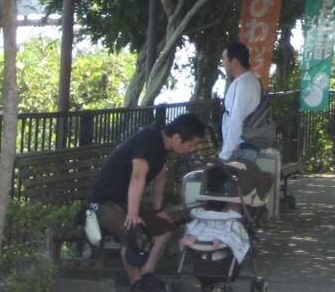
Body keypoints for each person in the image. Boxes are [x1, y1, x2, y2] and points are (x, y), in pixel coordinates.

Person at [86, 112, 208, 289]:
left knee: (165, 229)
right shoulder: (149, 140)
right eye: (191, 145)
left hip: (125, 202)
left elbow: (160, 177)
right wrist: (133, 214)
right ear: (177, 137)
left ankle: (146, 274)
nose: (191, 150)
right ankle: (137, 283)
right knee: (132, 232)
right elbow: (138, 176)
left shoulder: (163, 148)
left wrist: (158, 211)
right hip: (103, 203)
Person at [219, 41, 263, 163]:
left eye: (224, 59)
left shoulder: (242, 84)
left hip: (239, 148)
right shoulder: (252, 80)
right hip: (246, 146)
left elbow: (235, 119)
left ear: (234, 62)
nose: (223, 63)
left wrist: (225, 153)